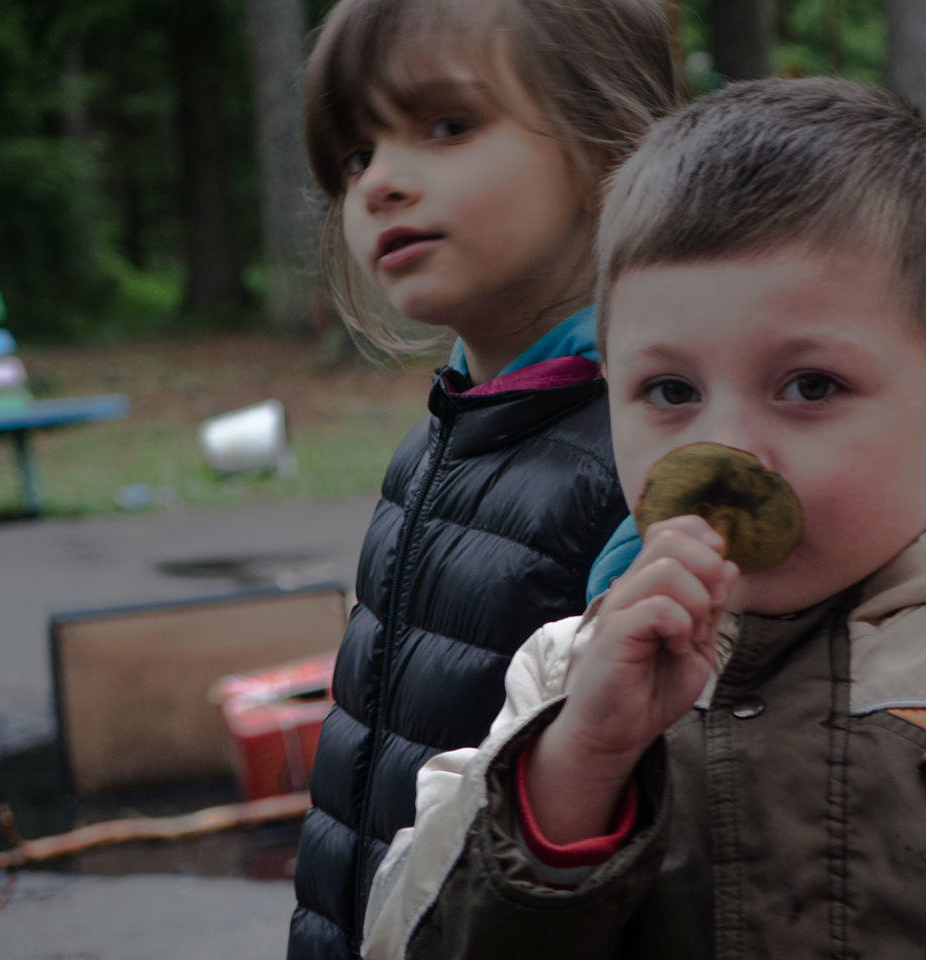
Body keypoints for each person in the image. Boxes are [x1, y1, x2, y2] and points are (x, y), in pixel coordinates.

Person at [361, 76, 926, 959]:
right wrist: (579, 765)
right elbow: (405, 936)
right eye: (669, 391)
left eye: (810, 386)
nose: (731, 454)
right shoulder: (568, 677)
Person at [287, 2, 681, 957]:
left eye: (446, 126)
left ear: (610, 151)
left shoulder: (650, 469)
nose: (379, 183)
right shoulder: (436, 445)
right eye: (356, 155)